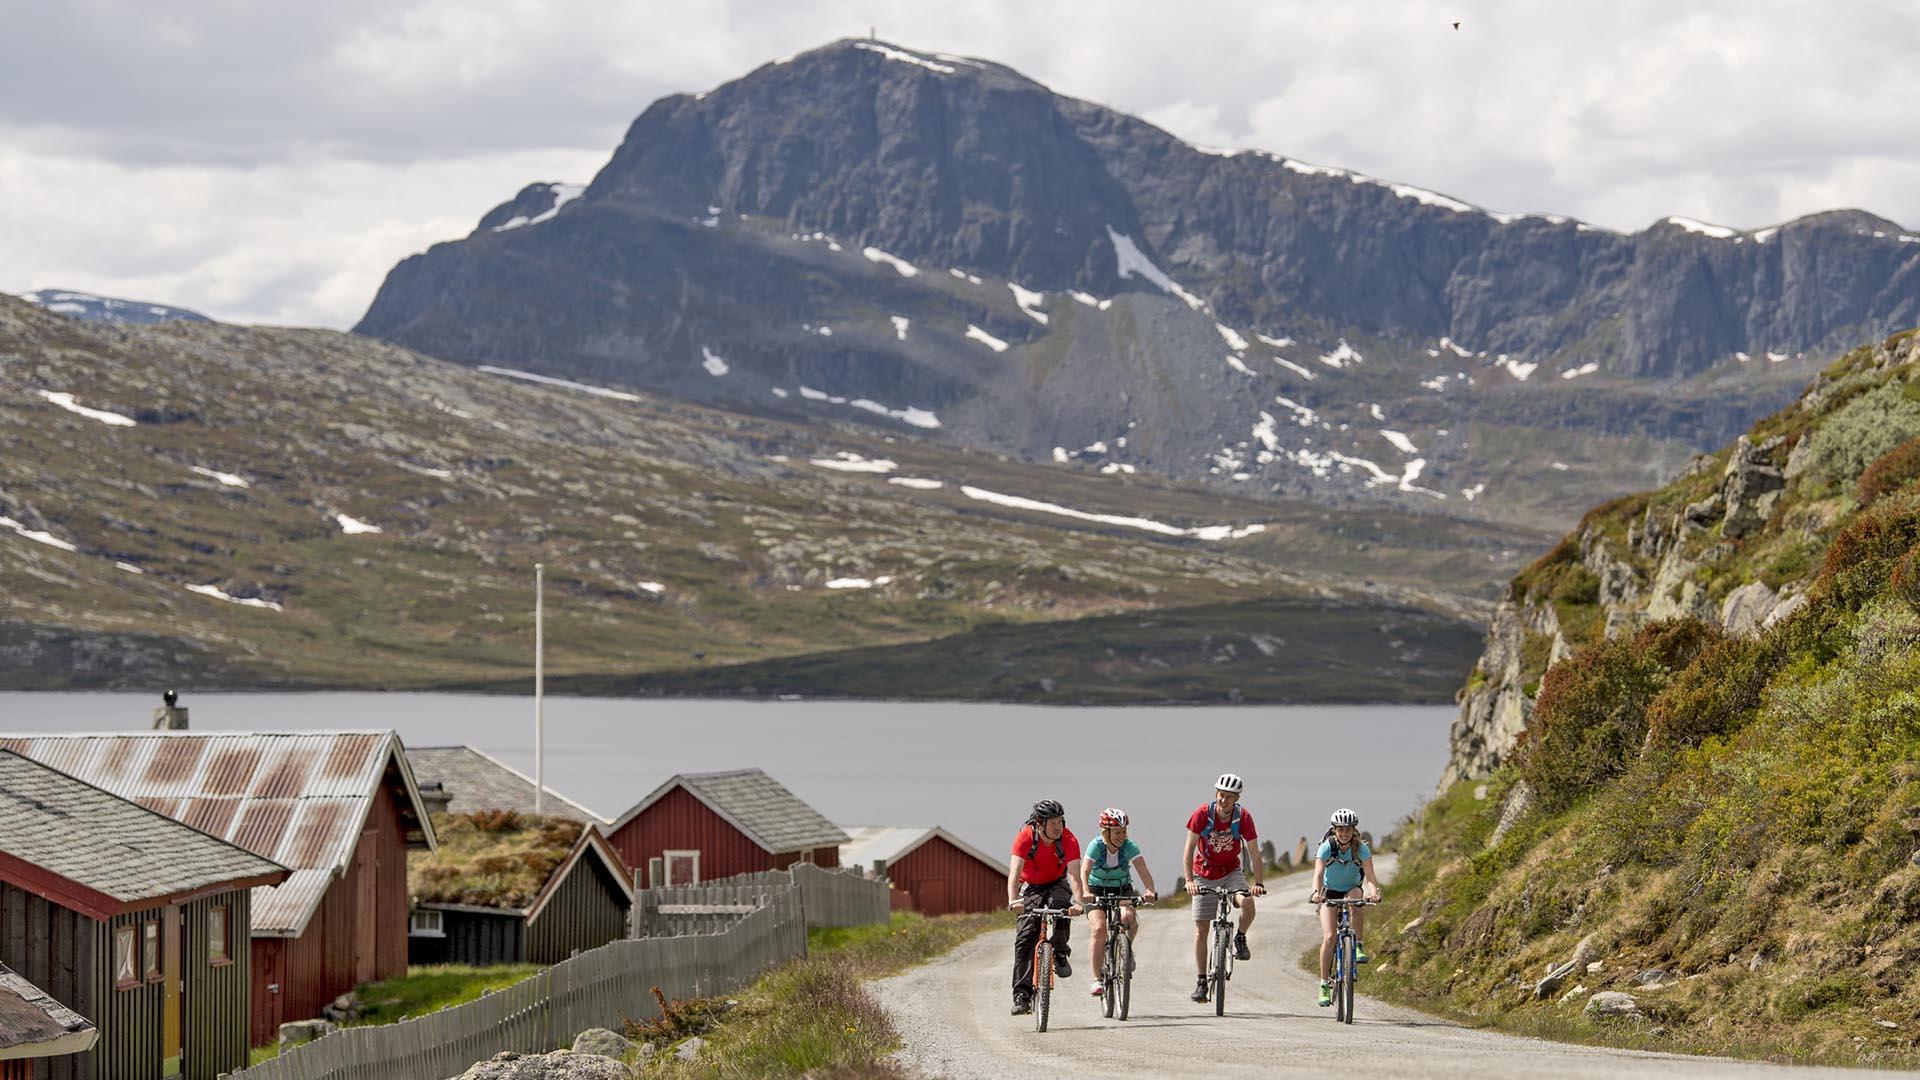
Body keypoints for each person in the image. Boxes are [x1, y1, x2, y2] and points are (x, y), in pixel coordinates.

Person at [1182, 773, 1266, 1003]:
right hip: (1203, 873)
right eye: (1221, 796)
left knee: (1247, 901)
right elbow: (1188, 850)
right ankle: (1201, 982)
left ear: (1236, 798)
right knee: (1201, 930)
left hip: (1231, 872)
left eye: (1229, 797)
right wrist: (1189, 880)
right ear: (1216, 794)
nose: (1224, 801)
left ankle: (1239, 937)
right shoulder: (1202, 814)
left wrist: (1258, 883)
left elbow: (1254, 852)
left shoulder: (1243, 817)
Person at [1007, 798, 1084, 1015]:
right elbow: (1014, 875)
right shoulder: (1025, 838)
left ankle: (1059, 951)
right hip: (1030, 886)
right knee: (1025, 938)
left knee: (1061, 906)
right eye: (1053, 823)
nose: (1058, 827)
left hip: (1056, 883)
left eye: (1060, 821)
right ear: (1040, 824)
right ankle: (1022, 996)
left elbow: (1074, 876)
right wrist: (1015, 901)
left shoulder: (1068, 839)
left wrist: (1078, 903)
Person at [1080, 807, 1158, 997]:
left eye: (1123, 831)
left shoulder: (1130, 846)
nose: (1121, 836)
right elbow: (1084, 870)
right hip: (1096, 889)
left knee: (1128, 916)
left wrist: (1149, 890)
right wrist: (1085, 891)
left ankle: (1126, 948)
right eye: (1116, 832)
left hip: (1121, 887)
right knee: (1099, 928)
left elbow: (1142, 869)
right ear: (1106, 832)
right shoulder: (1096, 845)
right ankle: (1096, 979)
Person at [1310, 807, 1381, 1007]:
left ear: (1353, 830)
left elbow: (1370, 876)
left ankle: (1357, 945)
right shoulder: (1326, 847)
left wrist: (1374, 892)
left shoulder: (1361, 848)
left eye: (1348, 829)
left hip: (1351, 888)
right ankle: (1324, 984)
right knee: (1330, 937)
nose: (1344, 833)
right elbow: (1317, 874)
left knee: (1358, 901)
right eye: (1340, 829)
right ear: (1334, 830)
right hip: (1329, 892)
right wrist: (1316, 894)